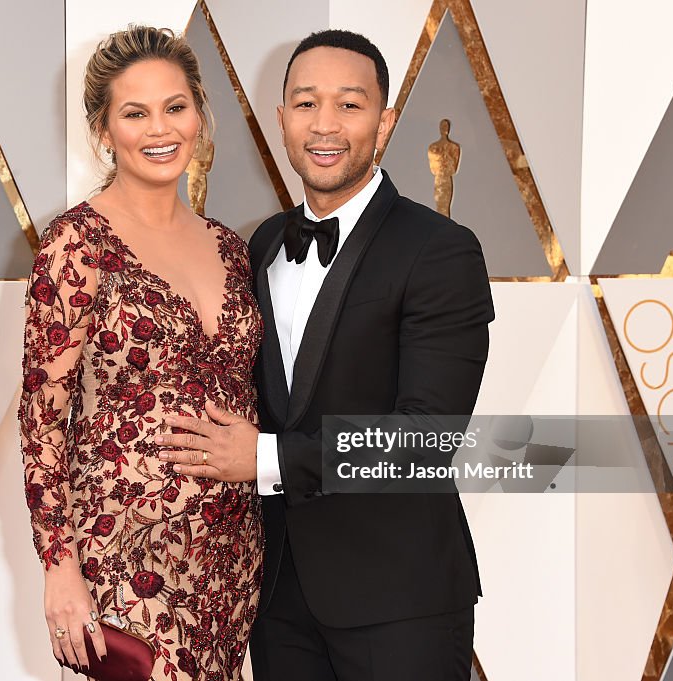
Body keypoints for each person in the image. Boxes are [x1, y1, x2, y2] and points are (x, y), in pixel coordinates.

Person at [156, 29, 495, 680]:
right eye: (307, 103)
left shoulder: (441, 250)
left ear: (385, 120)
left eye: (350, 104)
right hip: (279, 598)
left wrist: (263, 457)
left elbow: (427, 439)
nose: (326, 125)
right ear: (282, 120)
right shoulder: (258, 248)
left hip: (401, 599)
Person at [18, 25, 263, 680]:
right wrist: (59, 569)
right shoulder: (76, 243)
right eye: (135, 112)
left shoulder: (231, 247)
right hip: (129, 565)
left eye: (175, 106)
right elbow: (42, 419)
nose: (160, 128)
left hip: (231, 560)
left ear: (199, 116)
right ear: (104, 130)